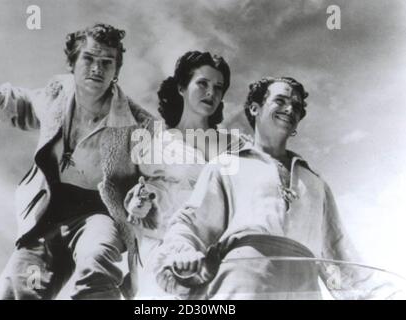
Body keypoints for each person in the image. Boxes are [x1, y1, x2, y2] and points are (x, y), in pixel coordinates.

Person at [152, 77, 402, 299]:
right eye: (280, 100)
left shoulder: (315, 183)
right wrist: (182, 254)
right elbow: (189, 225)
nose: (290, 109)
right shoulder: (225, 166)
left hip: (304, 290)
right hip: (241, 286)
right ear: (255, 108)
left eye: (297, 106)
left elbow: (341, 259)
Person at [0, 23, 155, 299]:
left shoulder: (138, 122)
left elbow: (167, 164)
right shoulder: (57, 93)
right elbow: (30, 103)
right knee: (19, 289)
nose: (97, 69)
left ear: (116, 71)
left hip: (100, 212)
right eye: (89, 59)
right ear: (73, 62)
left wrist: (149, 195)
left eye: (107, 63)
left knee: (96, 258)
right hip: (49, 212)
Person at [122, 51, 244, 298]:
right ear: (181, 88)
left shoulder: (235, 145)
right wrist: (139, 203)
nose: (211, 92)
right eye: (202, 83)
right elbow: (143, 196)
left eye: (218, 87)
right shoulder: (157, 144)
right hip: (167, 253)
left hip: (221, 257)